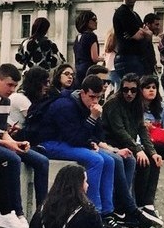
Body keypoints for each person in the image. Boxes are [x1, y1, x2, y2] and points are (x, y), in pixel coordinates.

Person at [36, 74, 153, 228]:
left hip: (74, 141)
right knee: (95, 160)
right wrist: (92, 118)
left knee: (110, 160)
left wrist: (103, 144)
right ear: (82, 92)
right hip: (52, 143)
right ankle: (94, 211)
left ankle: (108, 212)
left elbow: (97, 135)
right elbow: (74, 138)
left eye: (98, 97)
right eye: (91, 96)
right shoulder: (65, 105)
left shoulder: (91, 106)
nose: (95, 101)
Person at [102, 74, 164, 227]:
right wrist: (137, 149)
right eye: (125, 90)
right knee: (133, 160)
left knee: (153, 161)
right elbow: (119, 131)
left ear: (137, 91)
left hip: (128, 145)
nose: (129, 93)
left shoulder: (138, 105)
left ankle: (146, 204)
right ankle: (123, 207)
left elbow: (142, 130)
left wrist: (152, 152)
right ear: (121, 89)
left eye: (133, 90)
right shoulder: (113, 104)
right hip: (112, 144)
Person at [0, 63, 47, 228]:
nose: (12, 89)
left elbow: (2, 131)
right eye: (9, 84)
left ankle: (43, 212)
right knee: (12, 159)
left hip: (2, 142)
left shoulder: (5, 101)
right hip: (1, 146)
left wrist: (16, 143)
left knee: (41, 161)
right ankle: (15, 212)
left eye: (15, 86)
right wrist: (9, 145)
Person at [28, 164, 104, 228]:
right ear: (78, 185)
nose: (87, 185)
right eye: (85, 181)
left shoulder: (42, 210)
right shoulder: (88, 213)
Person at [113, 0, 152, 79]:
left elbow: (149, 35)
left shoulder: (134, 14)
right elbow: (138, 36)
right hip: (127, 58)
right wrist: (142, 32)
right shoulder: (122, 12)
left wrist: (141, 32)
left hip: (135, 59)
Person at [73, 10, 103, 87]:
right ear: (86, 21)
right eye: (93, 19)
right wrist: (104, 58)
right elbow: (95, 58)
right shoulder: (91, 36)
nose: (96, 22)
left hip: (78, 70)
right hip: (88, 70)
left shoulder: (78, 37)